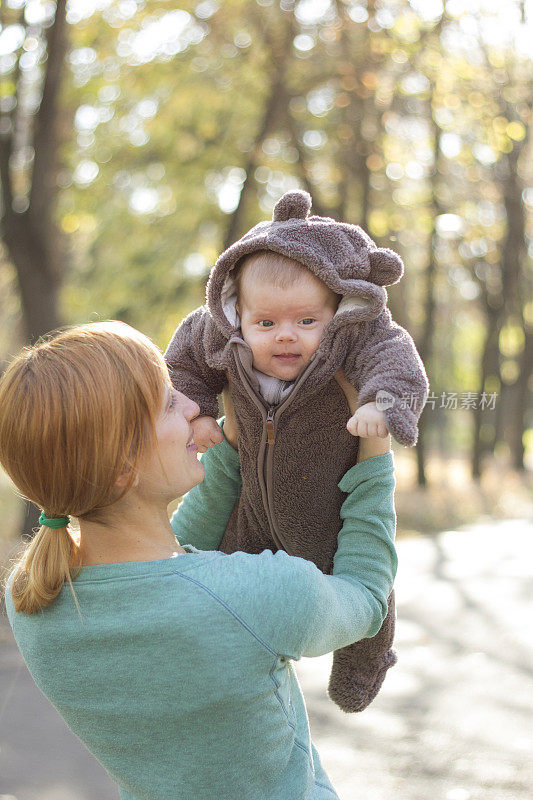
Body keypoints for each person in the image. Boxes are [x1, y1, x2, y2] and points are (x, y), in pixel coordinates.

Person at [2, 321, 395, 800]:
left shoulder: (31, 601)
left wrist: (232, 439)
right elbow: (367, 597)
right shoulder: (255, 595)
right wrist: (375, 454)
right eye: (169, 402)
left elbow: (169, 566)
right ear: (124, 466)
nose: (191, 406)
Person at [165, 189, 428, 712]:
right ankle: (216, 664)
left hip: (332, 510)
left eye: (307, 322)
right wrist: (195, 412)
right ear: (237, 312)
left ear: (338, 311)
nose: (286, 337)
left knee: (365, 585)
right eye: (266, 323)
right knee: (217, 576)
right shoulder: (218, 336)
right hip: (252, 510)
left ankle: (364, 659)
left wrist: (381, 403)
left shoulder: (355, 337)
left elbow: (395, 358)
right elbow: (182, 366)